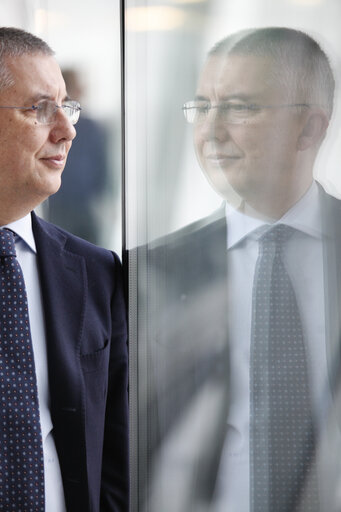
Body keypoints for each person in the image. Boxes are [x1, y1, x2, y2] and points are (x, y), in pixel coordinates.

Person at [143, 27, 341, 512]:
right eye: (201, 107)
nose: (210, 131)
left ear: (310, 128)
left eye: (239, 107)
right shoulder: (149, 272)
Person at [0, 27, 128, 511]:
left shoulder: (97, 273)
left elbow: (115, 458)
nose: (67, 130)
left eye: (66, 107)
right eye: (39, 108)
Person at [47, 68, 109, 245]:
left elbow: (102, 166)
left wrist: (101, 198)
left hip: (86, 204)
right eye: (77, 85)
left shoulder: (92, 126)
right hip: (59, 203)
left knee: (92, 252)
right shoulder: (53, 124)